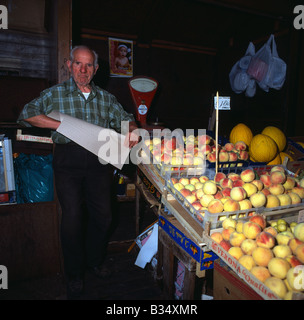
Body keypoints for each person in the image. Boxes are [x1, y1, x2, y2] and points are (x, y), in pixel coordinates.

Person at [17, 45, 139, 299]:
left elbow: (125, 117)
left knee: (103, 216)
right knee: (72, 217)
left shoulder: (106, 98)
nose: (83, 70)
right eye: (78, 64)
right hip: (68, 161)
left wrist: (132, 129)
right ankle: (74, 273)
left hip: (98, 161)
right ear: (69, 65)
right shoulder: (55, 93)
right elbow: (27, 114)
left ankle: (94, 261)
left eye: (88, 65)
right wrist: (61, 124)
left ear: (95, 70)